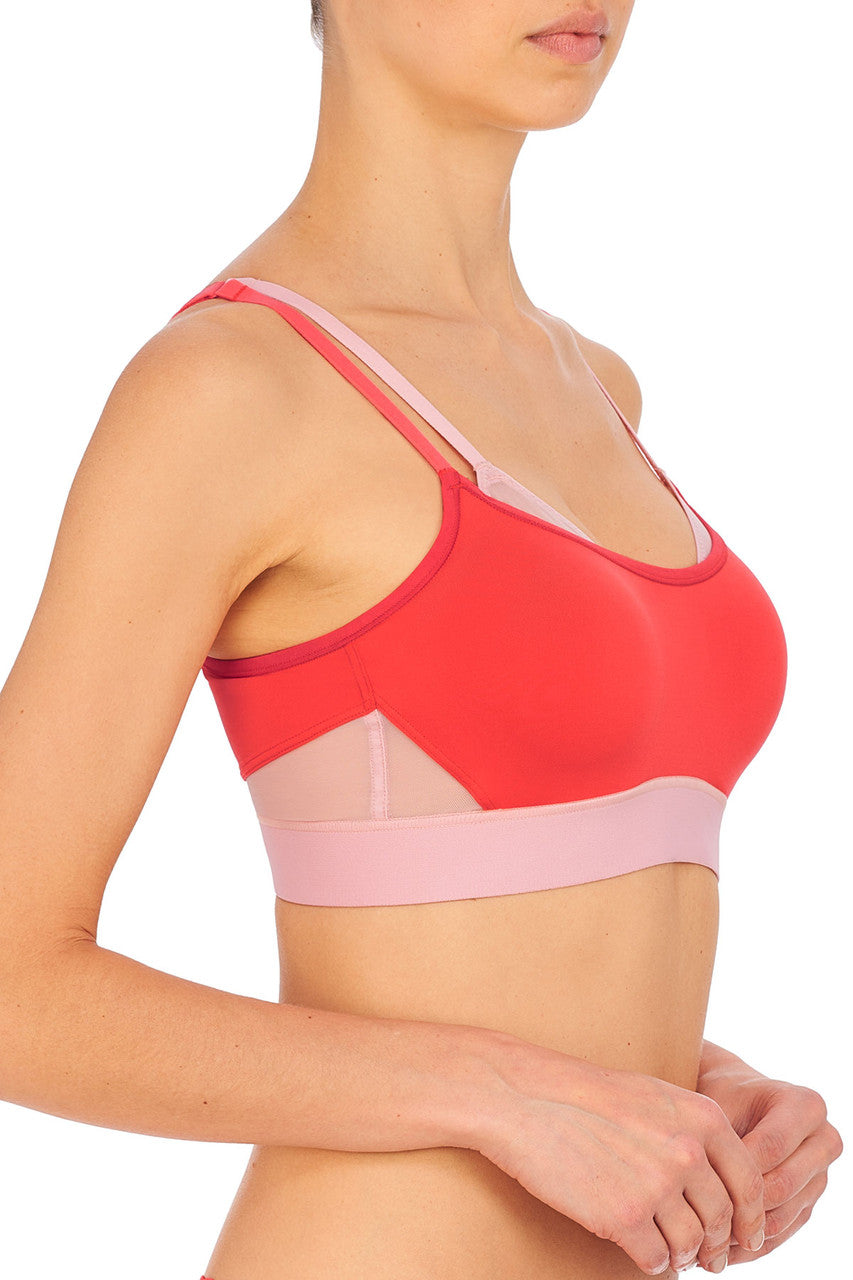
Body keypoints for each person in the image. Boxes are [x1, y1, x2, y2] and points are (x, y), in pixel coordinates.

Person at [0, 2, 842, 1278]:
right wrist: (506, 1096)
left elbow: (502, 926)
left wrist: (687, 1091)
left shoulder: (595, 388)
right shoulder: (231, 389)